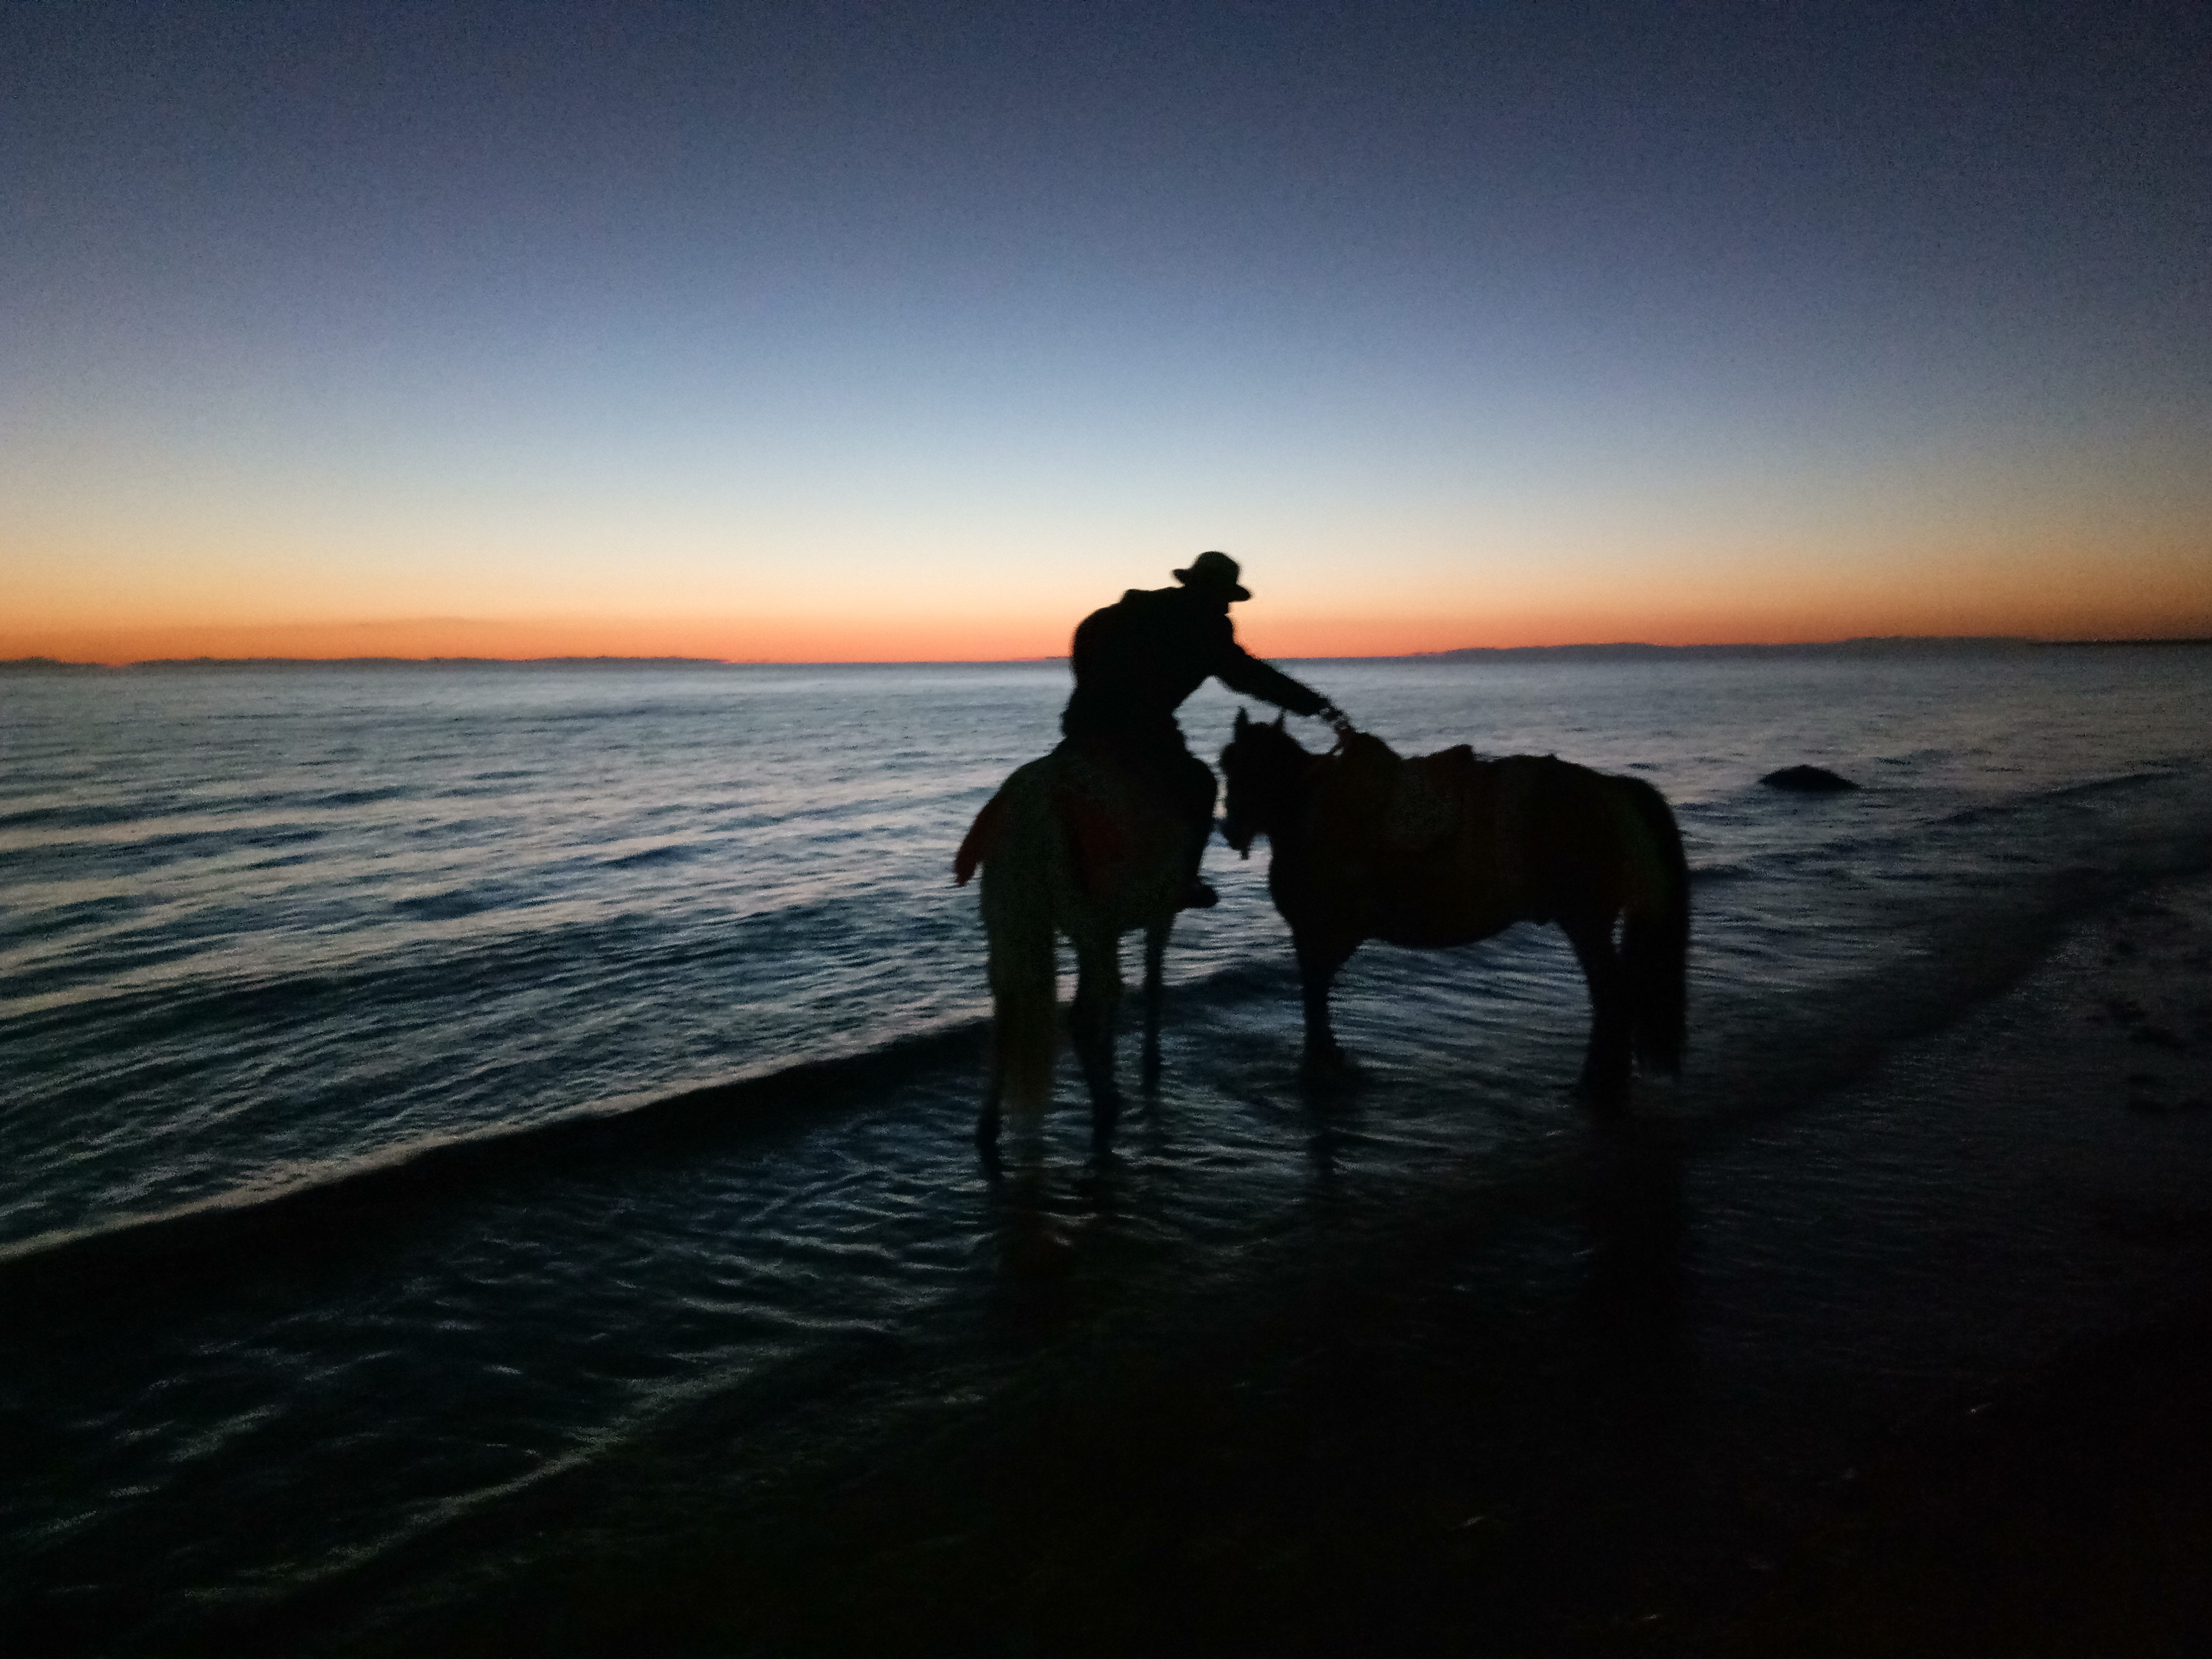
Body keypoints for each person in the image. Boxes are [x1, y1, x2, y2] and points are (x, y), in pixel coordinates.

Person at [1059, 550, 1346, 908]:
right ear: (1214, 591)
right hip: (1142, 731)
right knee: (1200, 784)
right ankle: (1184, 880)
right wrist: (1316, 706)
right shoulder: (1204, 623)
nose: (1227, 608)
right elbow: (1246, 677)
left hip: (1080, 727)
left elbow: (1083, 665)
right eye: (1226, 598)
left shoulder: (1107, 617)